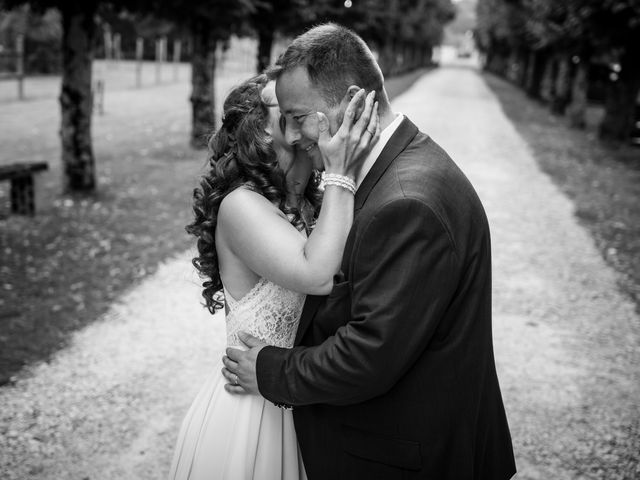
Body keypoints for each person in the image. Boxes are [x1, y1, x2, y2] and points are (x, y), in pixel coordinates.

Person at [222, 23, 517, 479]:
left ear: (355, 102)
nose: (295, 135)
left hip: (407, 458)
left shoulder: (405, 202)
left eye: (299, 117)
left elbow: (367, 356)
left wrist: (270, 369)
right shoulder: (396, 168)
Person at [168, 73, 379, 480]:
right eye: (283, 104)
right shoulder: (240, 205)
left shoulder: (313, 207)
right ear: (258, 128)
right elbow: (317, 275)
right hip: (252, 415)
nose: (302, 108)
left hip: (304, 401)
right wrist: (341, 171)